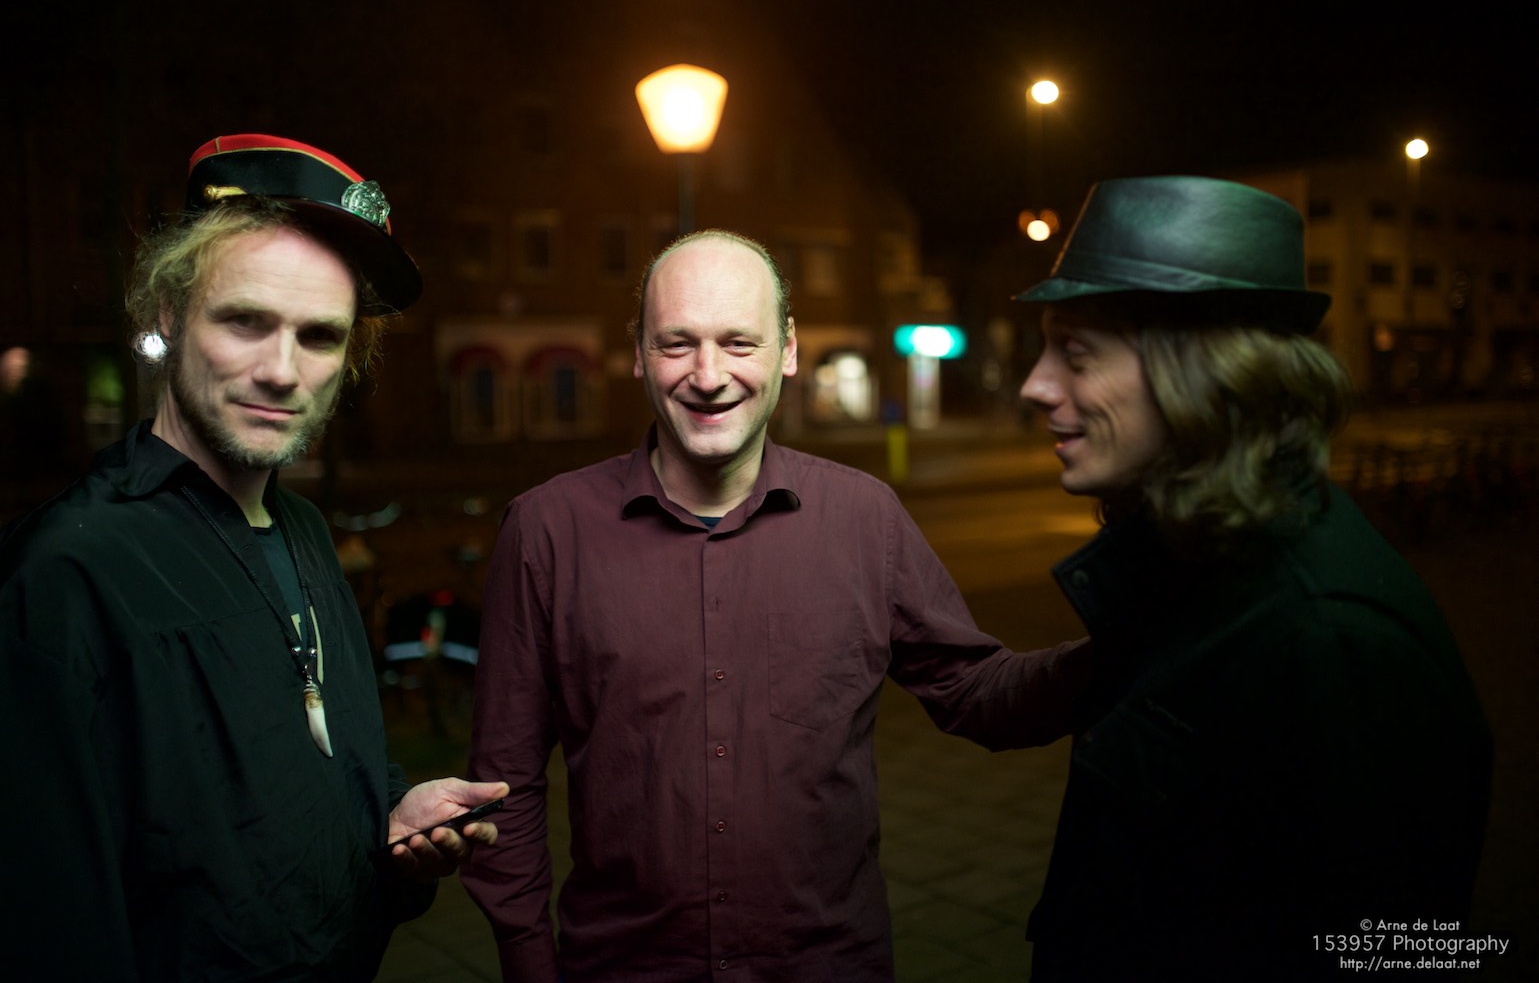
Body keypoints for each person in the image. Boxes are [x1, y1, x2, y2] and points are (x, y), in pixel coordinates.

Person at [463, 229, 1092, 982]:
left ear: (787, 350)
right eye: (676, 344)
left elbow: (976, 692)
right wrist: (529, 962)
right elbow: (502, 784)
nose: (708, 376)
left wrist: (1133, 645)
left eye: (739, 342)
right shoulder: (545, 530)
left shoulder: (865, 518)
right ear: (637, 353)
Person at [0, 134, 508, 980]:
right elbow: (48, 925)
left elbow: (300, 768)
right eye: (245, 321)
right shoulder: (66, 573)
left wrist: (385, 821)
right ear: (169, 315)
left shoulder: (303, 530)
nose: (282, 370)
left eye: (320, 336)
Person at [1013, 175, 1492, 980]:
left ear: (1206, 374)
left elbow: (1402, 949)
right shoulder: (1196, 561)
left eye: (1077, 353)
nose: (1036, 385)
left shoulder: (1331, 637)